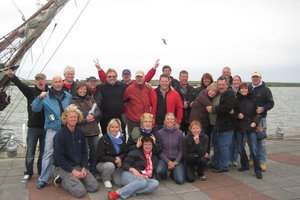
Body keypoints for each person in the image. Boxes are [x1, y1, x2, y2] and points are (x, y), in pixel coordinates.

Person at [5, 69, 48, 182]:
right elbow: (20, 85)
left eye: (42, 79)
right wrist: (13, 77)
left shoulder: (50, 92)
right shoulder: (30, 92)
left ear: (45, 81)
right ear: (35, 82)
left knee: (44, 152)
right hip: (33, 127)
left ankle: (41, 172)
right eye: (38, 79)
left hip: (46, 128)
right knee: (30, 152)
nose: (40, 81)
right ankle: (28, 173)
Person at [32, 76, 72, 189]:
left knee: (64, 153)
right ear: (52, 83)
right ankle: (43, 179)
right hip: (52, 129)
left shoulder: (68, 96)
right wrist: (39, 98)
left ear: (62, 83)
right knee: (48, 153)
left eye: (60, 81)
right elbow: (35, 109)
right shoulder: (46, 96)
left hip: (66, 129)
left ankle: (59, 174)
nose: (58, 84)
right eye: (56, 82)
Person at [53, 104, 99, 198]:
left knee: (94, 186)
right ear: (66, 118)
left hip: (79, 166)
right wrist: (72, 171)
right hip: (65, 167)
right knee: (80, 192)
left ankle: (76, 181)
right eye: (71, 117)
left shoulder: (80, 133)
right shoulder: (59, 135)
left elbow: (84, 152)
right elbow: (58, 158)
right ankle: (63, 179)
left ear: (78, 119)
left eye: (75, 117)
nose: (73, 119)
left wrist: (83, 167)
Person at [70, 82, 101, 174]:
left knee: (95, 151)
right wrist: (85, 120)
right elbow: (74, 117)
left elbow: (98, 111)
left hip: (94, 131)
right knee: (84, 152)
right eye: (81, 89)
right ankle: (85, 169)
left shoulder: (90, 99)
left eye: (84, 89)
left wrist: (94, 116)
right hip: (82, 132)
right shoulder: (73, 101)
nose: (83, 91)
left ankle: (94, 169)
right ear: (77, 90)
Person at [209, 76, 236, 173]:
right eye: (219, 84)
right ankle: (216, 163)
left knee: (223, 146)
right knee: (217, 145)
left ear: (227, 85)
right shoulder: (221, 94)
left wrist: (214, 109)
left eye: (223, 85)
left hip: (226, 125)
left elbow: (227, 108)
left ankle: (223, 166)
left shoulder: (230, 94)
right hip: (218, 124)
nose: (220, 86)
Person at [235, 83, 263, 179]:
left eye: (245, 88)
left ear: (248, 89)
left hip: (251, 128)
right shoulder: (236, 100)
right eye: (241, 88)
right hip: (239, 127)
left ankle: (258, 170)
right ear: (239, 90)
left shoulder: (253, 99)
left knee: (254, 149)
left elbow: (259, 114)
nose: (243, 90)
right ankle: (245, 165)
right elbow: (232, 112)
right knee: (239, 148)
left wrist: (255, 122)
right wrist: (237, 115)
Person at [249, 71, 274, 171]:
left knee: (261, 141)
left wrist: (263, 108)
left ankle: (262, 161)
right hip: (250, 119)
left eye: (257, 77)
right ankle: (252, 158)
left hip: (261, 119)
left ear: (260, 78)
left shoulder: (266, 90)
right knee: (251, 140)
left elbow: (271, 103)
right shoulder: (248, 88)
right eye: (253, 77)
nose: (255, 79)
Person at [96, 118, 127, 188]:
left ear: (119, 128)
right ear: (108, 128)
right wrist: (114, 159)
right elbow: (100, 156)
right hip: (103, 163)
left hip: (117, 163)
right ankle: (106, 179)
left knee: (118, 182)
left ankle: (111, 174)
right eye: (112, 127)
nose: (114, 129)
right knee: (110, 166)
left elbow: (125, 152)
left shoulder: (122, 138)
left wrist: (120, 158)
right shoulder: (103, 139)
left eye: (116, 127)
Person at [96, 68, 128, 135]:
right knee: (106, 139)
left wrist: (145, 83)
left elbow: (133, 90)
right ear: (106, 77)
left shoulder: (124, 86)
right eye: (109, 76)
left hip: (120, 117)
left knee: (121, 138)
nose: (112, 78)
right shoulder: (100, 87)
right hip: (105, 118)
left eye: (114, 76)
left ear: (116, 77)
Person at [189, 83, 218, 155]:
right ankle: (201, 158)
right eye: (212, 90)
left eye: (215, 92)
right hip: (198, 123)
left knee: (199, 142)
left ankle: (202, 158)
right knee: (199, 142)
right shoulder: (203, 97)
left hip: (199, 122)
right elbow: (210, 109)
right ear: (208, 89)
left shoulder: (204, 96)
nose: (213, 93)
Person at [156, 113, 185, 184]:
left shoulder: (180, 133)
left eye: (172, 119)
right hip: (164, 159)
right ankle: (165, 172)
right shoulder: (159, 133)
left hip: (176, 159)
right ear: (165, 121)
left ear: (175, 121)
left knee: (180, 180)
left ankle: (173, 172)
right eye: (168, 119)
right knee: (159, 171)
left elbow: (181, 150)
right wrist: (167, 161)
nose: (170, 121)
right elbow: (159, 150)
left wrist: (176, 162)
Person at [123, 70, 152, 135]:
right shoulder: (129, 89)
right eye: (137, 77)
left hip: (145, 120)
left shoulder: (148, 88)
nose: (139, 79)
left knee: (146, 139)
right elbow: (124, 101)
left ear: (144, 78)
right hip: (133, 120)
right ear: (135, 78)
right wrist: (130, 112)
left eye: (141, 77)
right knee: (133, 139)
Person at [94, 58, 160, 85]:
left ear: (130, 75)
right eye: (124, 74)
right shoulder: (118, 84)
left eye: (127, 74)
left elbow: (146, 78)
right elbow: (105, 79)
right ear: (122, 75)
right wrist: (99, 69)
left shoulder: (134, 83)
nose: (126, 76)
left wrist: (154, 68)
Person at [229, 75, 242, 167]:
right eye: (234, 80)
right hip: (231, 118)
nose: (236, 81)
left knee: (238, 140)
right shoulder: (229, 91)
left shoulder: (243, 91)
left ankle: (235, 159)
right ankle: (229, 159)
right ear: (232, 81)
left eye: (238, 80)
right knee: (230, 140)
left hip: (241, 119)